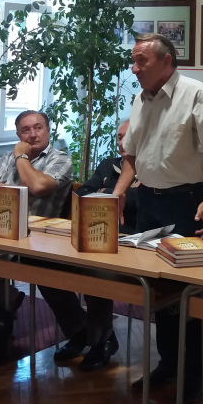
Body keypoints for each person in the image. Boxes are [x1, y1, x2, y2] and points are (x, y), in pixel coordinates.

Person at [111, 33, 203, 402]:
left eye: (142, 61)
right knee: (158, 287)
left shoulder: (197, 94)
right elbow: (131, 156)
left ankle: (196, 373)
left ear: (167, 61)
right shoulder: (141, 98)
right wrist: (118, 194)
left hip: (186, 201)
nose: (134, 68)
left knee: (189, 289)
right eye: (133, 61)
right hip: (148, 202)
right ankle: (168, 363)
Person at [0, 110, 74, 368]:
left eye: (38, 128)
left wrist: (21, 158)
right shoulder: (8, 157)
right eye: (26, 130)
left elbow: (38, 186)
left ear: (48, 130)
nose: (32, 134)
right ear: (18, 134)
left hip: (33, 237)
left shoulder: (60, 159)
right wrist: (21, 190)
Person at [44, 119, 139, 372]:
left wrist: (108, 193)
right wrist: (117, 193)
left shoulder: (152, 171)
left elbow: (141, 205)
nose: (122, 142)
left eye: (128, 136)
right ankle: (79, 330)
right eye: (119, 137)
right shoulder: (108, 165)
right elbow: (83, 193)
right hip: (95, 237)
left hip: (130, 244)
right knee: (45, 266)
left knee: (95, 271)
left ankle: (101, 340)